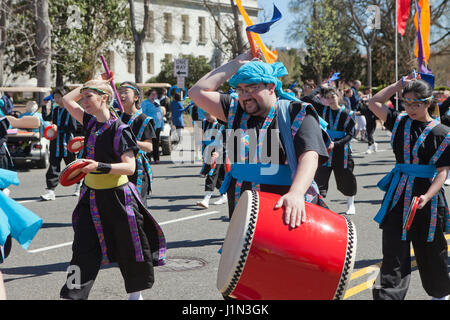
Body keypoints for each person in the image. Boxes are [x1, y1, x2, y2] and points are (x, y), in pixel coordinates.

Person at [189, 51, 329, 227]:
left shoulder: (296, 112)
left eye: (252, 87)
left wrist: (296, 193)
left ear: (271, 87)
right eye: (240, 89)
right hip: (242, 214)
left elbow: (310, 156)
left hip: (284, 212)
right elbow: (196, 91)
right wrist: (236, 63)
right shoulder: (235, 110)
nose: (245, 95)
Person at [59, 75, 166, 300]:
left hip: (119, 198)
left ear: (104, 98)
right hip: (91, 197)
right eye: (84, 97)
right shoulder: (89, 122)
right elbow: (68, 100)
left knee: (129, 248)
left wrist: (99, 166)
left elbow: (129, 167)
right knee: (81, 250)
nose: (84, 101)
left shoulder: (121, 129)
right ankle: (72, 295)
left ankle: (135, 295)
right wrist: (91, 81)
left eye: (89, 97)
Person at [367, 76, 450, 300]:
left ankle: (440, 294)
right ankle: (388, 297)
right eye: (406, 102)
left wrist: (426, 197)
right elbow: (373, 103)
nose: (410, 108)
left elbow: (442, 172)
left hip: (427, 199)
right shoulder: (400, 121)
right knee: (393, 249)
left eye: (416, 104)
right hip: (398, 194)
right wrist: (397, 86)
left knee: (431, 249)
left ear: (428, 103)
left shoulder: (441, 132)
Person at [303, 86, 357, 215]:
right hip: (324, 148)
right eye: (327, 98)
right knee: (319, 178)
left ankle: (350, 203)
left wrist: (336, 144)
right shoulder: (323, 110)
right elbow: (306, 99)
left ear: (338, 96)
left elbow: (350, 134)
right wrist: (320, 88)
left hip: (341, 150)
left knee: (345, 177)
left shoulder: (347, 113)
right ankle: (318, 206)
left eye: (333, 96)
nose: (331, 100)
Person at [118, 82, 156, 202]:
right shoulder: (117, 118)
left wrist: (132, 140)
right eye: (120, 92)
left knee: (137, 206)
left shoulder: (144, 119)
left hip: (137, 169)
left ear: (136, 97)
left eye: (125, 92)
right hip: (119, 166)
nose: (122, 95)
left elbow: (149, 147)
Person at [40, 88, 79, 200]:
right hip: (55, 142)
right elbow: (46, 118)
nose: (57, 99)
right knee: (53, 167)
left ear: (65, 97)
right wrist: (44, 106)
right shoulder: (56, 110)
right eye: (55, 97)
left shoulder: (71, 109)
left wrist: (59, 128)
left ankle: (79, 186)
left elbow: (73, 127)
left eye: (59, 97)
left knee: (72, 166)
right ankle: (50, 191)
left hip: (67, 143)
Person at [197, 112, 227, 208]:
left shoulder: (222, 124)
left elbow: (227, 140)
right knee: (218, 177)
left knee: (212, 173)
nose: (207, 117)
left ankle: (206, 199)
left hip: (219, 152)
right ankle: (224, 195)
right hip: (209, 152)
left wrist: (219, 152)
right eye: (205, 115)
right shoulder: (205, 123)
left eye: (208, 114)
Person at [141, 89, 164, 164]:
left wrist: (162, 125)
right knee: (149, 142)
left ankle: (156, 158)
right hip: (149, 125)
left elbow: (160, 113)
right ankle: (148, 158)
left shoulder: (157, 103)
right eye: (152, 94)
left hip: (157, 125)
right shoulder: (145, 103)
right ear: (149, 95)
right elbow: (143, 113)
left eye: (155, 94)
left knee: (156, 142)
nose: (154, 96)